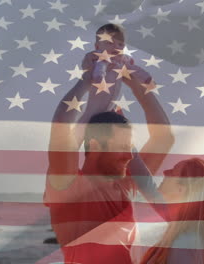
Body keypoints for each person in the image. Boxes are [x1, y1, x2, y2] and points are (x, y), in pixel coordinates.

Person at [44, 23, 174, 264]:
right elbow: (62, 125)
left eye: (129, 147)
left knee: (151, 191)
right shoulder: (69, 185)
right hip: (91, 114)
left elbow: (164, 137)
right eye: (122, 148)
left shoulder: (124, 186)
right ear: (95, 144)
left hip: (109, 109)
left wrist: (135, 83)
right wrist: (86, 79)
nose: (129, 156)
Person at [137, 158, 204, 264]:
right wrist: (129, 147)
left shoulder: (185, 243)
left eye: (172, 172)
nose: (165, 172)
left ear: (180, 189)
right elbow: (147, 185)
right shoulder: (182, 225)